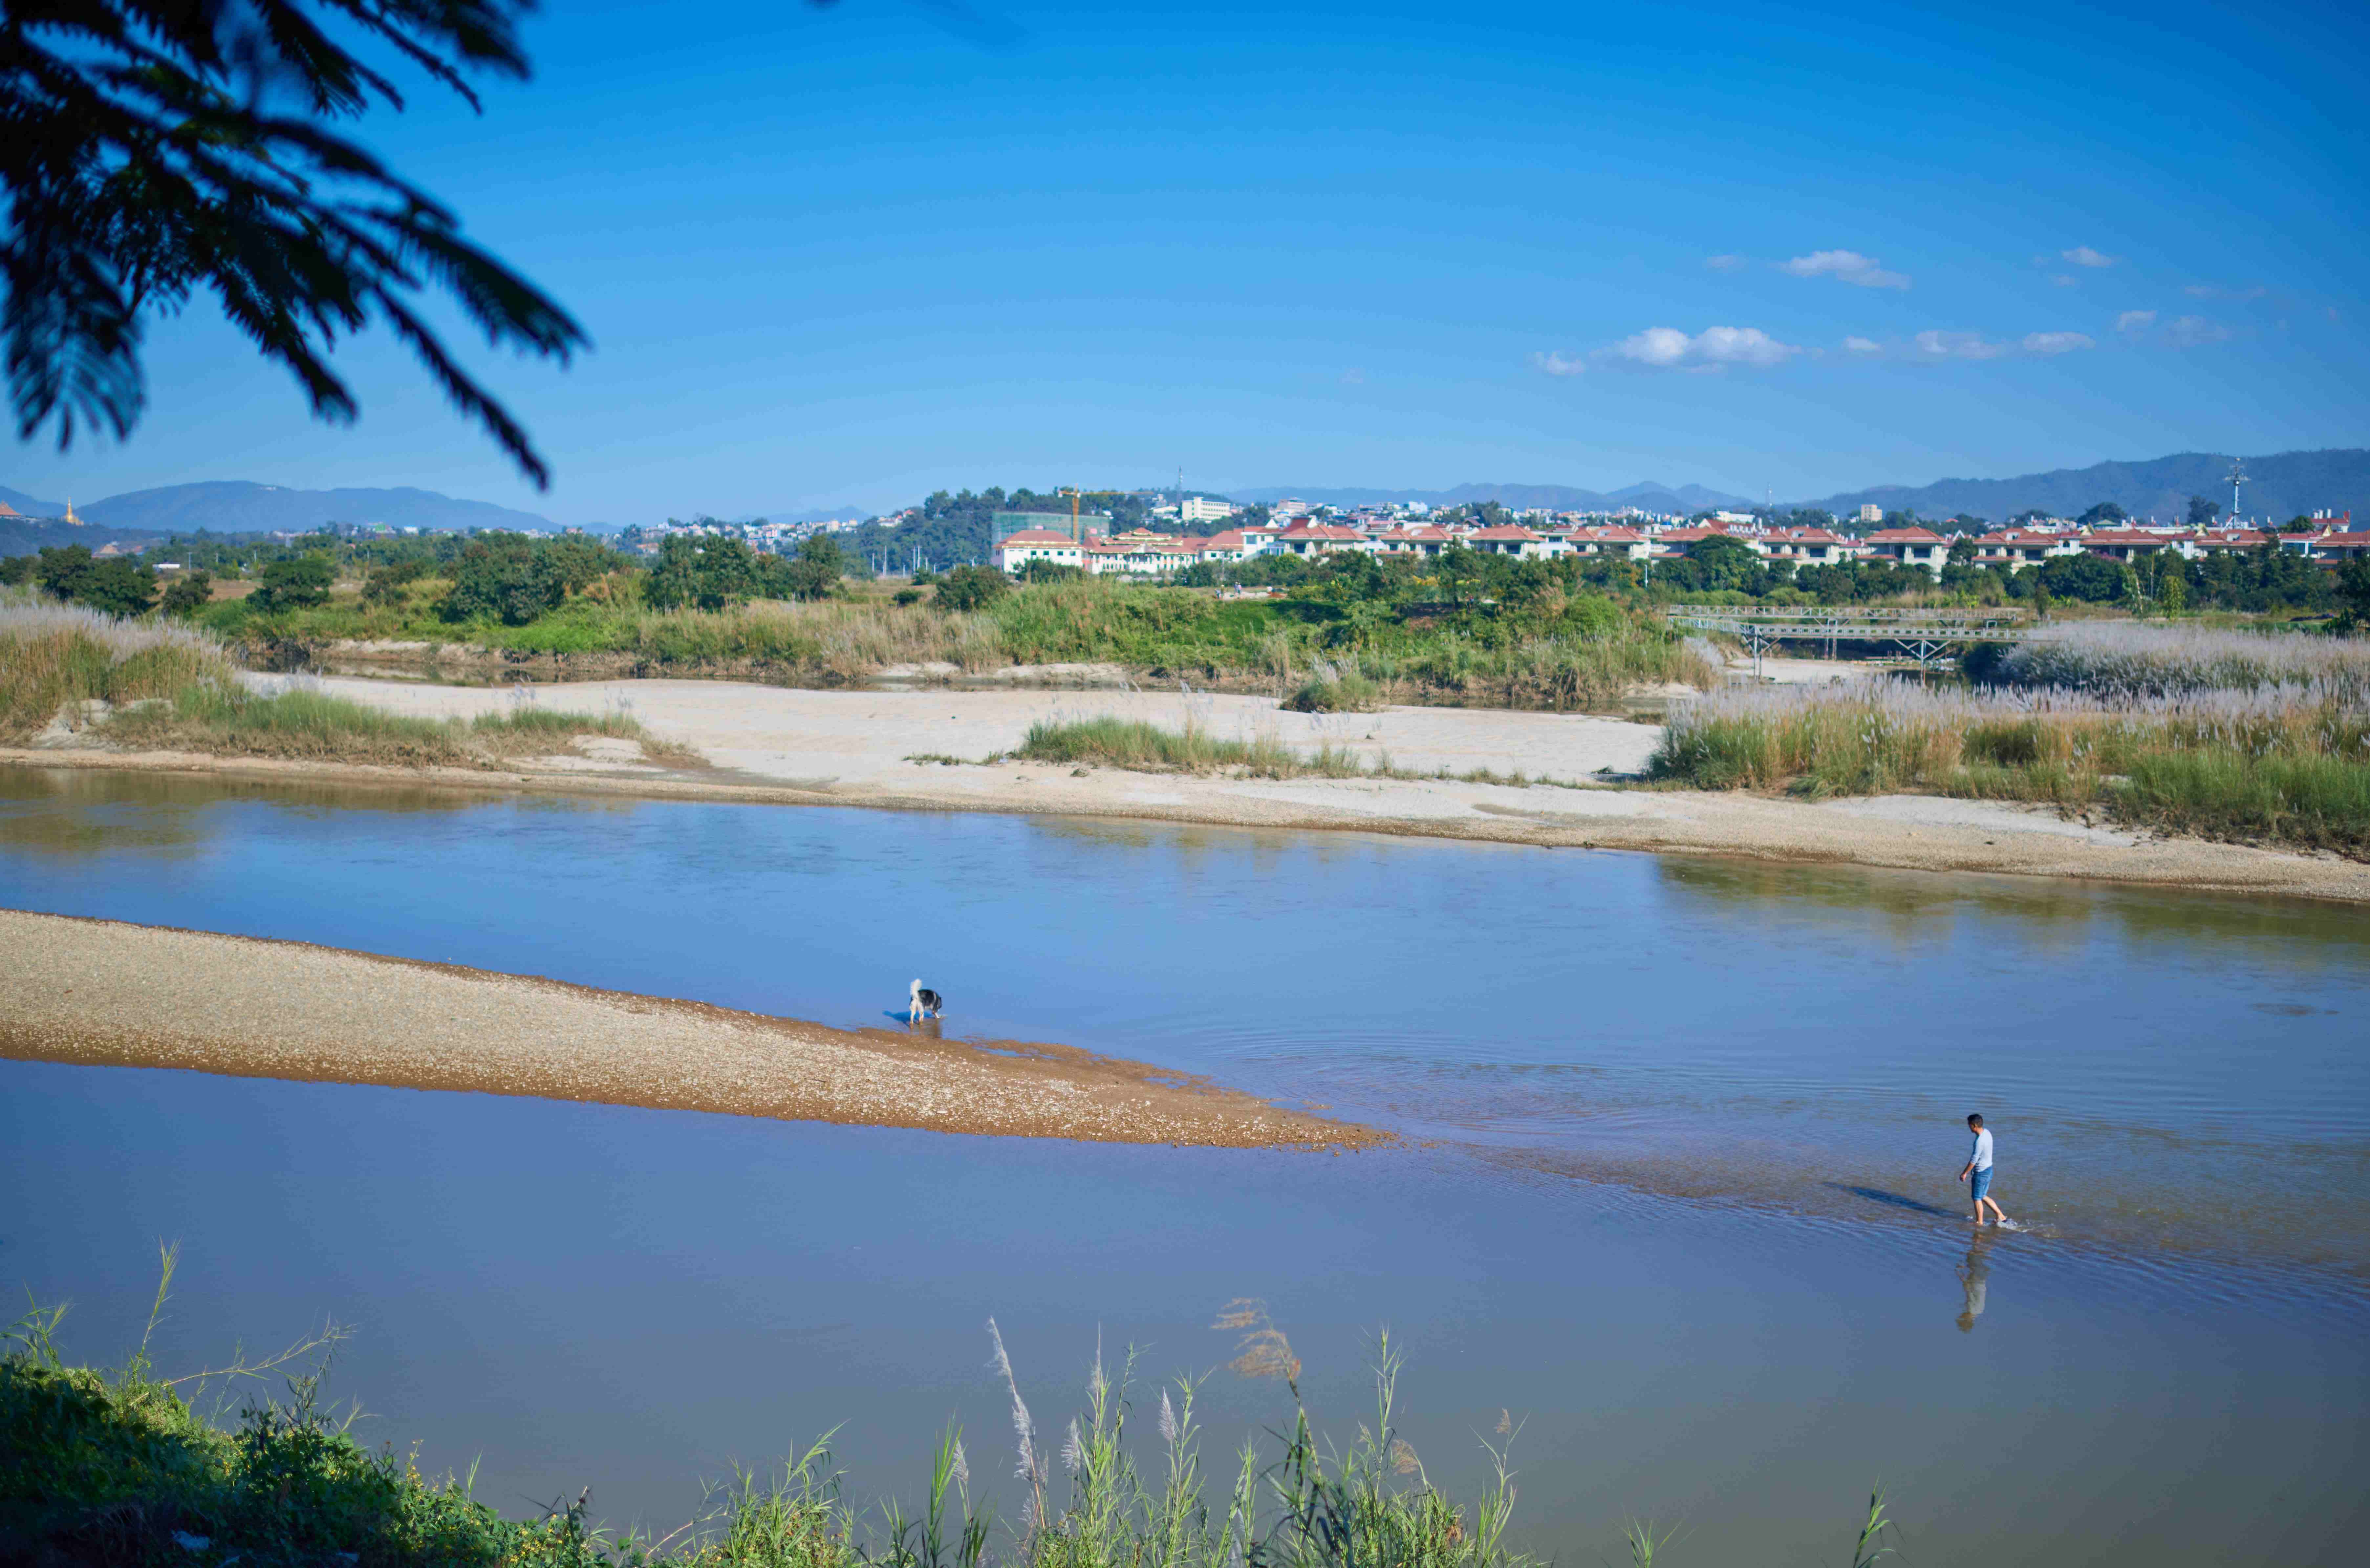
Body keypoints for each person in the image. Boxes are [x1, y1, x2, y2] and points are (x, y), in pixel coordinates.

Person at [1958, 1112, 2006, 1225]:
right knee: (1983, 1196)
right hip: (1989, 1170)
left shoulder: (1979, 1142)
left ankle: (1979, 1223)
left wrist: (1964, 1173)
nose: (1968, 1127)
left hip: (1981, 1173)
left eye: (1969, 1125)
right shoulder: (1988, 1133)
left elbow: (1974, 1161)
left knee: (1977, 1198)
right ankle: (2000, 1216)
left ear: (1974, 1126)